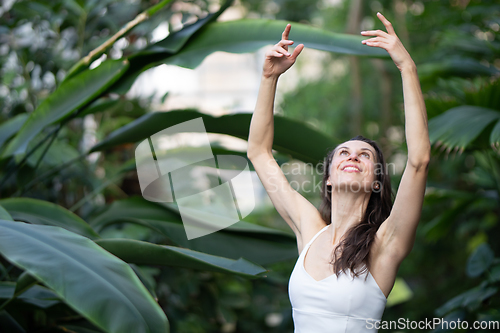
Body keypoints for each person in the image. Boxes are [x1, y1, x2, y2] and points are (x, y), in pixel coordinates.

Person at [246, 12, 430, 333]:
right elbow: (259, 153)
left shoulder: (384, 244)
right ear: (329, 176)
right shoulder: (309, 229)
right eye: (343, 152)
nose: (352, 156)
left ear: (376, 180)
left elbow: (419, 160)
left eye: (365, 155)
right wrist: (268, 80)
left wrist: (407, 68)